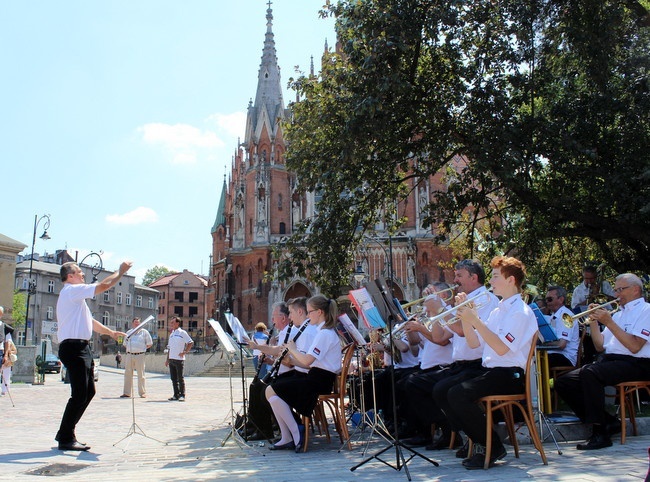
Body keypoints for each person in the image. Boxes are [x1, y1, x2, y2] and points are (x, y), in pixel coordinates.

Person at [446, 256, 538, 469]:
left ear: (511, 280)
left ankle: (491, 446)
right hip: (494, 371)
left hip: (510, 374)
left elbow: (501, 348)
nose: (491, 281)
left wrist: (475, 319)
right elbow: (472, 342)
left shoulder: (520, 312)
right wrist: (466, 317)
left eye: (496, 276)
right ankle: (483, 443)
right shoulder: (498, 310)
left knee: (457, 393)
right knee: (449, 390)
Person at [555, 273, 650, 450]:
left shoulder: (646, 311)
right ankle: (609, 421)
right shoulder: (619, 314)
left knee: (591, 373)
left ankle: (600, 433)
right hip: (612, 360)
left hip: (638, 363)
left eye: (620, 290)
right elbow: (599, 346)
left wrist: (609, 322)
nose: (616, 294)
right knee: (563, 382)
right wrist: (593, 320)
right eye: (615, 290)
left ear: (635, 290)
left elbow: (635, 346)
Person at [55, 261, 130, 451]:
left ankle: (66, 433)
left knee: (88, 392)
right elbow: (104, 286)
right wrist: (120, 272)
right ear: (70, 276)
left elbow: (91, 322)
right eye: (79, 272)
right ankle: (65, 436)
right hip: (73, 348)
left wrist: (111, 333)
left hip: (81, 348)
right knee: (79, 394)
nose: (82, 275)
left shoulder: (75, 299)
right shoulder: (72, 290)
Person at [427, 259, 499, 453]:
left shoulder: (485, 299)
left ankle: (481, 440)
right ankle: (470, 436)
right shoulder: (463, 301)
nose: (455, 280)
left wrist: (441, 309)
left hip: (478, 364)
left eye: (459, 276)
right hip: (461, 365)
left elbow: (460, 330)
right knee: (435, 388)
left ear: (473, 277)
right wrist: (435, 312)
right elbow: (440, 336)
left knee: (446, 390)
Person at [265, 295, 342, 452]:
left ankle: (296, 431)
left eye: (310, 312)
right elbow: (308, 362)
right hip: (316, 377)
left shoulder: (325, 334)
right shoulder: (323, 332)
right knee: (270, 390)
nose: (307, 315)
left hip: (319, 382)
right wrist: (290, 360)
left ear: (319, 312)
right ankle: (287, 436)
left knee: (272, 390)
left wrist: (292, 350)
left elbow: (307, 361)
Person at [243, 302, 291, 441]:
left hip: (286, 374)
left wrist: (258, 347)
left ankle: (265, 429)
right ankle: (254, 426)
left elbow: (286, 357)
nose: (272, 321)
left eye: (274, 317)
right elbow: (280, 354)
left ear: (283, 318)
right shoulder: (283, 333)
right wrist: (270, 361)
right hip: (281, 371)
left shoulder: (288, 332)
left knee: (260, 388)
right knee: (255, 386)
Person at [543, 286, 579, 368]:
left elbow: (561, 345)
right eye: (546, 300)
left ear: (561, 299)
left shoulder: (566, 316)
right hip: (554, 354)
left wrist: (544, 343)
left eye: (550, 299)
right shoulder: (554, 316)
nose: (547, 302)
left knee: (537, 362)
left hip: (565, 357)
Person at [121, 317, 153, 398]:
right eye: (135, 322)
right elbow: (125, 344)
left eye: (138, 323)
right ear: (132, 323)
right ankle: (127, 392)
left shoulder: (144, 332)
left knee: (141, 374)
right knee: (128, 374)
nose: (137, 324)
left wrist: (142, 348)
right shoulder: (129, 332)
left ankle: (142, 393)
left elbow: (149, 343)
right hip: (130, 355)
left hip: (140, 355)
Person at [165, 316, 194, 401]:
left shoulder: (182, 333)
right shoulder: (171, 334)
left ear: (178, 323)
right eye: (171, 322)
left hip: (179, 359)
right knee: (173, 378)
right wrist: (167, 359)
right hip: (171, 359)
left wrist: (185, 352)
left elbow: (190, 342)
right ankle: (176, 394)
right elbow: (169, 348)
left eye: (173, 322)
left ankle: (182, 395)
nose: (171, 324)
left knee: (180, 378)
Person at [2, 321, 16, 397]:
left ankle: (5, 389)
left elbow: (11, 346)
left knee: (6, 373)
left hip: (6, 356)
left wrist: (7, 354)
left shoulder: (7, 334)